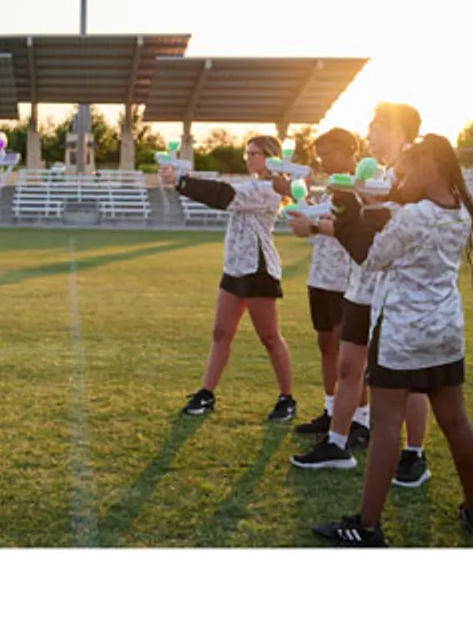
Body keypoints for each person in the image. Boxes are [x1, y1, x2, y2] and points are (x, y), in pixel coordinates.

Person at [313, 135, 473, 545]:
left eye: (409, 170)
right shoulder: (461, 211)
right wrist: (370, 208)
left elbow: (371, 256)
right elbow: (397, 216)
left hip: (402, 334)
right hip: (445, 332)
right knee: (457, 422)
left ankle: (368, 526)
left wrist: (345, 212)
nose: (402, 178)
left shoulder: (415, 217)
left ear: (428, 166)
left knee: (385, 428)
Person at [290, 103, 427, 476]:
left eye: (377, 125)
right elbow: (358, 232)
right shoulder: (376, 175)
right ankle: (337, 443)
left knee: (409, 378)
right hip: (361, 285)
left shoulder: (414, 173)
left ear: (399, 131)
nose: (369, 131)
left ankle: (414, 453)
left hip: (397, 289)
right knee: (349, 367)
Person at [160, 135, 296, 421]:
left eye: (254, 153)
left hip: (258, 270)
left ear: (270, 156)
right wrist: (182, 177)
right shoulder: (259, 184)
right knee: (221, 334)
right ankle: (206, 393)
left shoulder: (270, 188)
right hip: (235, 267)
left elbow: (224, 195)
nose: (248, 158)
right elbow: (223, 192)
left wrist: (183, 182)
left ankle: (287, 398)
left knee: (270, 337)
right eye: (247, 153)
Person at [284, 129, 356, 451]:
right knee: (326, 345)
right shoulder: (330, 187)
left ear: (349, 151)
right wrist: (305, 217)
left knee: (349, 355)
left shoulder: (361, 186)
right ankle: (331, 411)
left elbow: (351, 229)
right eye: (320, 155)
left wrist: (312, 225)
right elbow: (321, 228)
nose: (323, 161)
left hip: (348, 280)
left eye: (328, 153)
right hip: (321, 277)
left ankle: (358, 421)